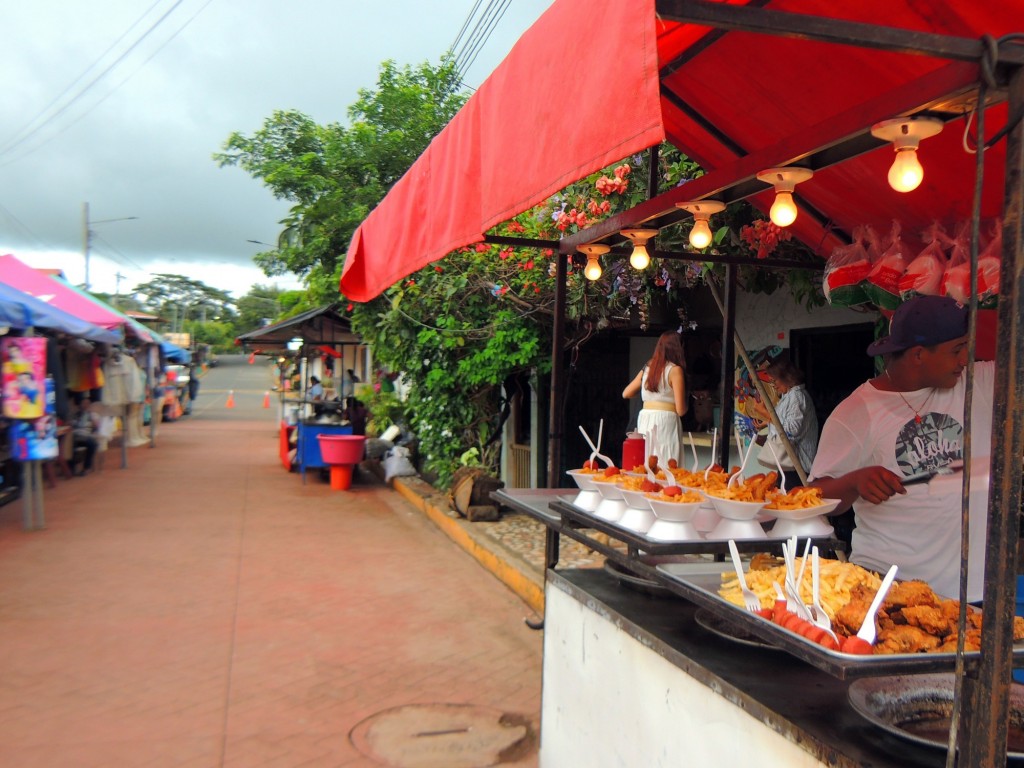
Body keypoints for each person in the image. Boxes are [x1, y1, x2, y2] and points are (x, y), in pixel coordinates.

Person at [808, 295, 994, 602]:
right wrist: (854, 482)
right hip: (888, 590)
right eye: (957, 350)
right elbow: (814, 498)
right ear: (919, 354)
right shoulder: (857, 413)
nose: (965, 359)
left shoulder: (977, 384)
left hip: (971, 594)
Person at [622, 329, 687, 469]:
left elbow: (626, 393)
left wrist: (649, 398)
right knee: (667, 464)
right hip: (665, 420)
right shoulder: (675, 370)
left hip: (645, 418)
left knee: (647, 463)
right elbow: (681, 410)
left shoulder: (648, 367)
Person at [754, 357, 818, 488]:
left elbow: (791, 430)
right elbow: (785, 420)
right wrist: (767, 422)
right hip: (788, 463)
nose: (773, 385)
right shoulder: (788, 395)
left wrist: (765, 413)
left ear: (787, 378)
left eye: (774, 380)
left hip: (798, 464)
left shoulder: (797, 397)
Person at [70, 397, 100, 475]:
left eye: (87, 403)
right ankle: (71, 468)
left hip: (86, 437)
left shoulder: (93, 414)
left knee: (92, 444)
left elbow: (96, 427)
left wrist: (90, 415)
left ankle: (86, 468)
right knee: (69, 445)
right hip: (76, 436)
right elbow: (71, 425)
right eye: (83, 403)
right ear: (80, 404)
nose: (85, 405)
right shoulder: (75, 414)